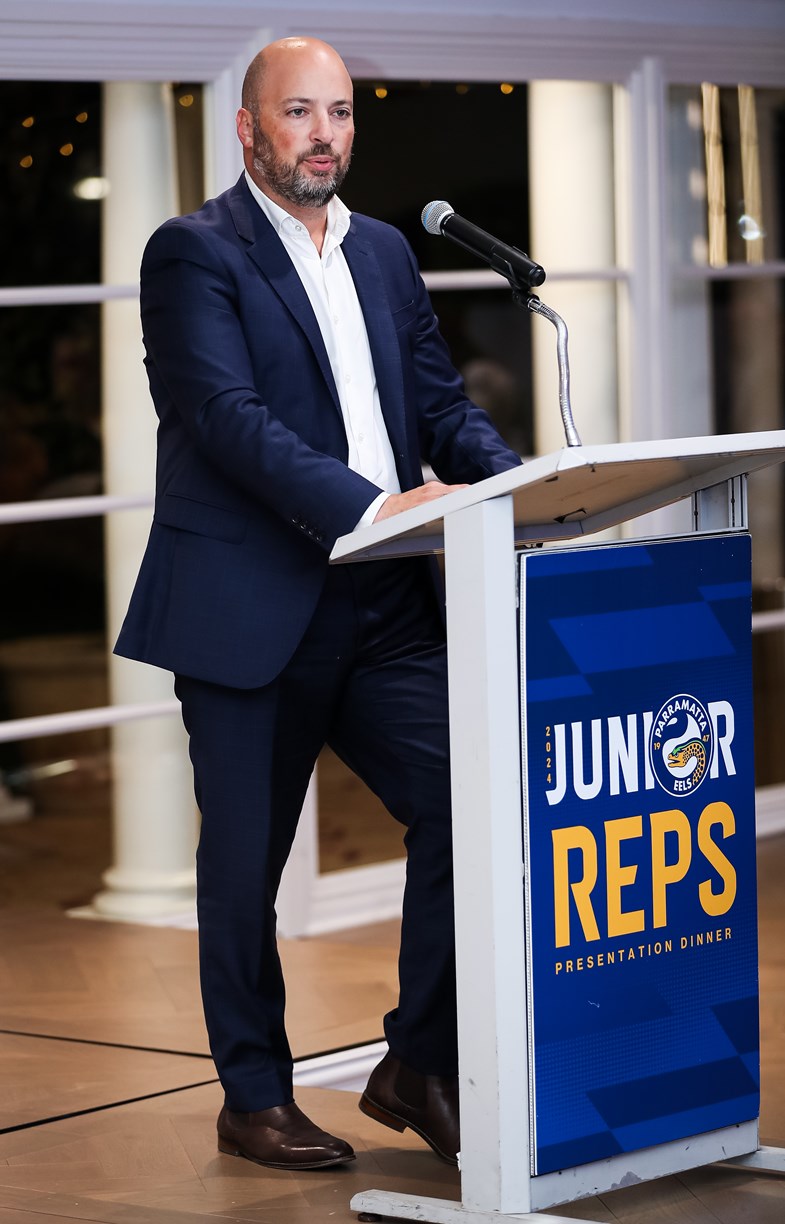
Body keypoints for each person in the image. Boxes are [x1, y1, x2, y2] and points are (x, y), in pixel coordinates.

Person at [115, 36, 522, 1171]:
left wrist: (516, 484)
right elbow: (226, 419)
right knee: (244, 869)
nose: (323, 135)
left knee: (474, 803)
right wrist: (376, 506)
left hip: (385, 605)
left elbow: (438, 407)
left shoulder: (383, 250)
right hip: (253, 603)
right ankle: (252, 1096)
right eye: (298, 112)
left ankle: (418, 1063)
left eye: (339, 113)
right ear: (248, 127)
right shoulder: (193, 253)